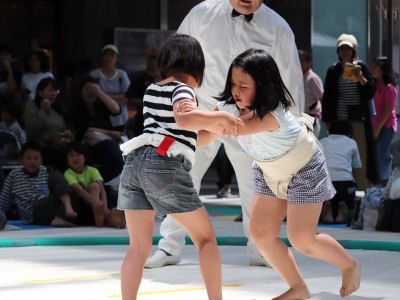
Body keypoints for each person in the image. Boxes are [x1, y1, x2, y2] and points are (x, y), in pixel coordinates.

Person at [182, 48, 360, 299]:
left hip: (304, 168)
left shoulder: (272, 115)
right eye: (233, 83)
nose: (236, 91)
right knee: (261, 234)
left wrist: (188, 116)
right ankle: (298, 288)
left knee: (302, 239)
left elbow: (230, 128)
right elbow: (207, 135)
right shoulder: (228, 109)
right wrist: (177, 139)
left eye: (243, 85)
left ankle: (349, 264)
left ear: (263, 85)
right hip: (268, 169)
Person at [145, 0, 305, 269]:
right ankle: (169, 246)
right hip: (201, 107)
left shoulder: (278, 28)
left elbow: (291, 81)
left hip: (248, 115)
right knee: (184, 174)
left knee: (254, 183)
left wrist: (298, 127)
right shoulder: (202, 13)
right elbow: (178, 58)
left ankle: (260, 248)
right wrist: (172, 101)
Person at [117, 33, 244, 300]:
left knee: (137, 247)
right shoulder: (183, 89)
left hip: (135, 165)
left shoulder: (152, 90)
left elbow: (191, 138)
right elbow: (185, 118)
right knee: (206, 239)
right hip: (163, 165)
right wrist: (220, 116)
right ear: (195, 66)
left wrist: (220, 128)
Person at [322, 33, 377, 190]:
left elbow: (370, 92)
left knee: (361, 152)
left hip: (358, 119)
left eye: (348, 48)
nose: (345, 52)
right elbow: (328, 96)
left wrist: (360, 78)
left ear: (354, 50)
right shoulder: (334, 70)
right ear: (338, 51)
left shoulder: (361, 67)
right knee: (338, 153)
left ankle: (361, 187)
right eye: (342, 49)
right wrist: (327, 120)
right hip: (339, 119)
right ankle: (337, 187)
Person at [0, 141, 77, 227]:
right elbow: (3, 201)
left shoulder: (45, 171)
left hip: (49, 208)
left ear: (41, 160)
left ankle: (65, 210)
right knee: (55, 176)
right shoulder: (14, 175)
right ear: (21, 160)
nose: (32, 162)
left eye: (36, 158)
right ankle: (59, 216)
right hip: (33, 212)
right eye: (28, 158)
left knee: (70, 189)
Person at [71, 76, 124, 183]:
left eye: (93, 89)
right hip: (88, 147)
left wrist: (99, 92)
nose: (90, 92)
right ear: (80, 92)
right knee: (110, 145)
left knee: (108, 156)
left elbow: (116, 110)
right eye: (87, 89)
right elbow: (86, 130)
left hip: (106, 146)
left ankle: (110, 185)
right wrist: (110, 132)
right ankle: (130, 173)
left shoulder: (101, 105)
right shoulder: (76, 110)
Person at [64, 142, 125, 228]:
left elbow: (102, 190)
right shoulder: (68, 173)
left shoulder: (92, 170)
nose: (75, 158)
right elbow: (79, 191)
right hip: (82, 204)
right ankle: (102, 216)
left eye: (78, 155)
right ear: (67, 160)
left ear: (85, 158)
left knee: (97, 186)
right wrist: (98, 203)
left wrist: (104, 205)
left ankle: (106, 218)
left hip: (98, 202)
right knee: (94, 186)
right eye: (71, 155)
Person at [23, 77, 72, 171]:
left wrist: (66, 134)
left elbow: (61, 130)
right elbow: (32, 131)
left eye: (55, 91)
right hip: (42, 147)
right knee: (65, 157)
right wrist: (43, 110)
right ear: (40, 93)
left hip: (59, 145)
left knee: (79, 151)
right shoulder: (32, 107)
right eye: (50, 90)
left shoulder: (57, 109)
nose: (53, 94)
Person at [320, 121, 362, 225]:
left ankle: (327, 206)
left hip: (325, 185)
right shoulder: (351, 142)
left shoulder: (322, 141)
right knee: (349, 189)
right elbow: (357, 166)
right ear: (349, 133)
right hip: (345, 185)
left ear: (330, 131)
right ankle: (344, 207)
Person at [90, 44, 131, 132]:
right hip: (99, 118)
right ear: (102, 57)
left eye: (112, 55)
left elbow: (127, 97)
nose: (109, 57)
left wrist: (103, 97)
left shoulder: (122, 75)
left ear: (116, 59)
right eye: (106, 54)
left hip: (120, 119)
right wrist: (117, 98)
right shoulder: (94, 74)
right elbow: (91, 97)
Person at [371, 56, 398, 184]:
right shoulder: (376, 86)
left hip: (386, 126)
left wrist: (377, 128)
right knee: (377, 152)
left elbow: (388, 111)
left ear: (382, 70)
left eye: (375, 67)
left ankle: (385, 180)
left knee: (382, 152)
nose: (373, 70)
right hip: (377, 125)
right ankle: (381, 179)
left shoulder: (389, 88)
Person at [125, 47, 159, 138]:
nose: (154, 60)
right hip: (142, 119)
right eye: (151, 57)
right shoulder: (138, 78)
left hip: (161, 120)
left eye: (156, 57)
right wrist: (146, 102)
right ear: (147, 58)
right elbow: (130, 100)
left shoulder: (164, 78)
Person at [298, 50, 324, 138]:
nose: (299, 62)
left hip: (311, 118)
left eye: (301, 60)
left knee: (312, 146)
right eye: (298, 60)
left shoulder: (313, 78)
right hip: (300, 118)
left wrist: (327, 119)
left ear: (309, 63)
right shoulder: (298, 77)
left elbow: (322, 98)